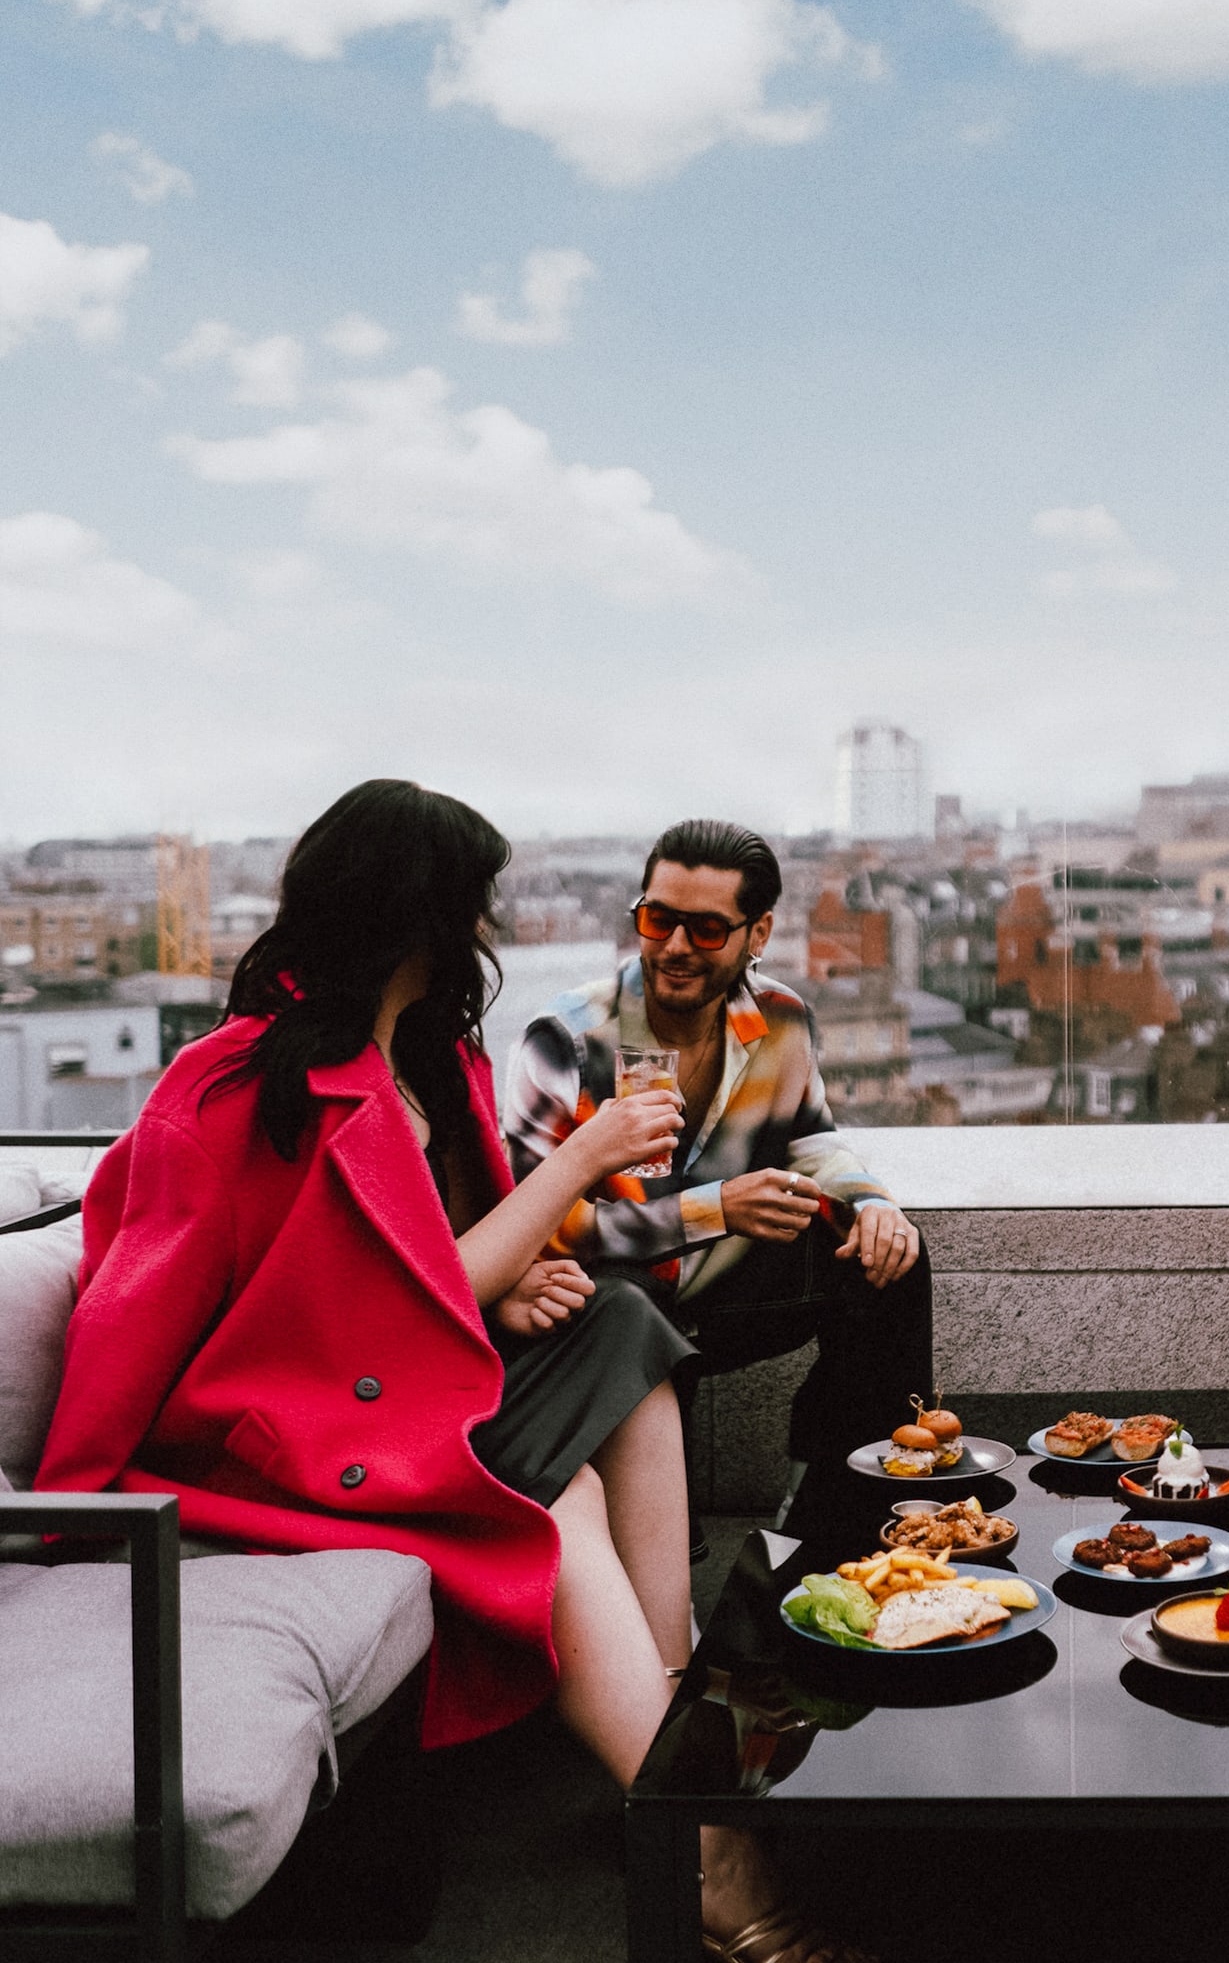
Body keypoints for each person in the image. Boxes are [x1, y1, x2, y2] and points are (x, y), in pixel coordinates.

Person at [34, 781, 870, 1963]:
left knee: (624, 1327)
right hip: (298, 1443)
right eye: (475, 903)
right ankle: (706, 1847)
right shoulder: (225, 1096)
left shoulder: (425, 1058)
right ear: (420, 918)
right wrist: (579, 1158)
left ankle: (684, 1706)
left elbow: (429, 1264)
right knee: (555, 1496)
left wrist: (513, 1275)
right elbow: (203, 1312)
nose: (489, 927)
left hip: (411, 1382)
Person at [503, 819, 930, 1523]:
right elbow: (536, 1229)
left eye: (705, 930)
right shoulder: (569, 1038)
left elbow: (811, 1140)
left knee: (891, 1266)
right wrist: (716, 1209)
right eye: (658, 919)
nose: (673, 947)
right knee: (632, 1306)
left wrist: (874, 1203)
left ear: (756, 935)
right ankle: (667, 1554)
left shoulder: (783, 1019)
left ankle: (842, 1516)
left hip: (721, 1283)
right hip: (609, 1292)